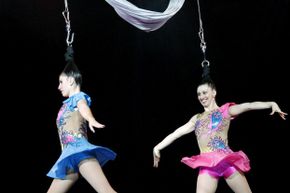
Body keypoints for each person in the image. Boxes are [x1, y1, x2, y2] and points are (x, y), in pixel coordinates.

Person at [153, 64, 287, 193]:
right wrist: (157, 147)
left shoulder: (225, 111)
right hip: (207, 165)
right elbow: (176, 133)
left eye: (204, 92)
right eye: (199, 94)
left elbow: (248, 105)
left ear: (214, 92)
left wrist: (271, 103)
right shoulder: (197, 118)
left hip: (227, 162)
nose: (201, 96)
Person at [46, 48, 118, 193]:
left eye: (61, 82)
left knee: (106, 191)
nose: (58, 87)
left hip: (80, 153)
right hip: (67, 158)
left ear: (71, 80)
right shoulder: (67, 104)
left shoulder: (78, 98)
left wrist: (91, 119)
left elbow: (83, 108)